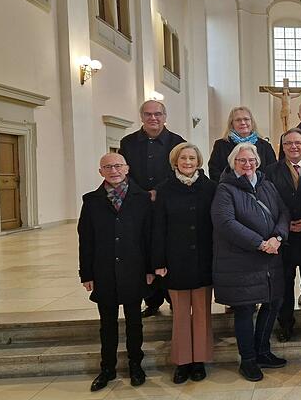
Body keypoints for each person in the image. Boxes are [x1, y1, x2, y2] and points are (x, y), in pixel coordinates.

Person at [210, 143, 290, 382]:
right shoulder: (225, 189)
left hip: (270, 258)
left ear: (258, 162)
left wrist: (277, 237)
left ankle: (263, 351)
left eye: (251, 160)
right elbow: (225, 223)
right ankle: (248, 360)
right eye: (242, 161)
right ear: (233, 163)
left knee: (273, 302)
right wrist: (260, 243)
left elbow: (284, 212)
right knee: (245, 309)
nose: (247, 165)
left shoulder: (266, 184)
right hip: (241, 260)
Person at [78, 153, 154, 392]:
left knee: (134, 322)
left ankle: (135, 365)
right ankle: (107, 368)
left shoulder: (142, 199)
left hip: (134, 268)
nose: (114, 170)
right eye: (108, 167)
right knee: (107, 323)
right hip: (104, 271)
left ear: (127, 168)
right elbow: (86, 240)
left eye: (118, 166)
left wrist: (151, 268)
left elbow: (149, 237)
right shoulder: (91, 201)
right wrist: (86, 273)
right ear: (101, 171)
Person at [152, 143, 217, 384]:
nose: (187, 162)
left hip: (204, 259)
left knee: (202, 312)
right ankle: (182, 362)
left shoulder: (210, 188)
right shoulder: (164, 189)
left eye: (192, 158)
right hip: (175, 260)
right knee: (180, 313)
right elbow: (157, 228)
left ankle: (199, 360)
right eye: (183, 158)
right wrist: (158, 261)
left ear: (198, 161)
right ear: (175, 161)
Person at [119, 100, 185, 318]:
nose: (153, 118)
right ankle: (151, 299)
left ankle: (171, 297)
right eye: (148, 114)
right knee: (143, 249)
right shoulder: (128, 143)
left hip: (168, 204)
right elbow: (124, 171)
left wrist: (158, 190)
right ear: (142, 117)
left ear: (165, 117)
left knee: (168, 249)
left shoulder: (177, 142)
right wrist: (141, 193)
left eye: (157, 114)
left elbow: (181, 169)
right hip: (138, 205)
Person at [263, 129, 301, 343]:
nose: (294, 147)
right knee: (284, 284)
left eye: (298, 143)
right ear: (283, 146)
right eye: (289, 144)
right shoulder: (270, 171)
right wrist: (283, 225)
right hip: (283, 237)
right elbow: (267, 203)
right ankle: (285, 324)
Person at [208, 106, 277, 182]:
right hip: (230, 189)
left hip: (259, 189)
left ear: (252, 122)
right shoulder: (221, 145)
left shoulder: (265, 146)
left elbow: (273, 170)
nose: (243, 123)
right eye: (238, 120)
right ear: (232, 124)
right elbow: (214, 170)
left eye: (246, 119)